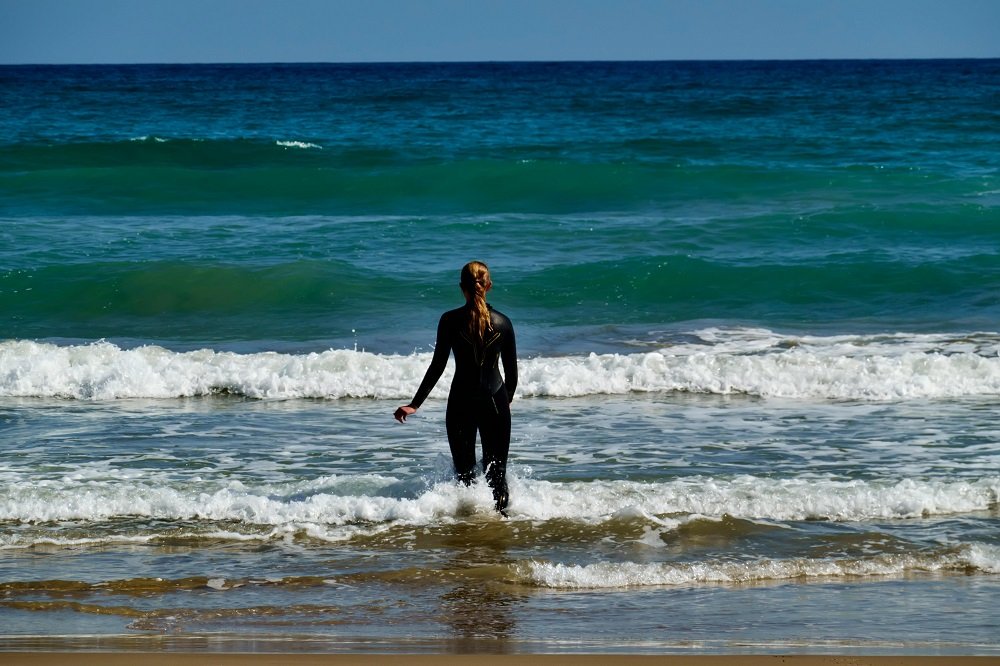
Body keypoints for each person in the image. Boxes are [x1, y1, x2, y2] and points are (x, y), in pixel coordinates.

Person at [394, 261, 518, 515]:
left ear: (461, 287)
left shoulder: (449, 321)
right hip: (496, 403)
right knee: (497, 475)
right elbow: (512, 376)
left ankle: (466, 532)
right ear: (489, 286)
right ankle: (501, 530)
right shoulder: (503, 323)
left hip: (461, 403)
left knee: (464, 474)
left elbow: (437, 366)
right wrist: (504, 402)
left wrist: (414, 404)